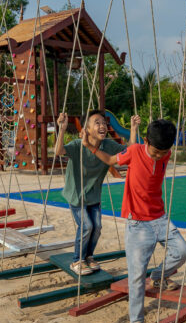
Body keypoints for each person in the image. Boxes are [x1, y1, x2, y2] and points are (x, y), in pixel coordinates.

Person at [82, 119, 186, 323]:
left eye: (164, 152)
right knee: (137, 274)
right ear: (146, 141)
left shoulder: (165, 154)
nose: (159, 156)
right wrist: (91, 147)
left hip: (160, 217)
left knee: (181, 251)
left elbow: (161, 149)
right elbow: (111, 159)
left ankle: (158, 277)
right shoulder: (135, 151)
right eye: (156, 152)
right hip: (137, 222)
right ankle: (136, 322)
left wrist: (160, 149)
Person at [54, 110, 140, 276]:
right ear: (86, 129)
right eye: (97, 123)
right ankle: (77, 260)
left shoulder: (107, 145)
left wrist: (134, 129)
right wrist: (62, 129)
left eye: (104, 123)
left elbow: (130, 150)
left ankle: (88, 256)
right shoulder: (78, 145)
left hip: (94, 195)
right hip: (77, 195)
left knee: (97, 227)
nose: (102, 126)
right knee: (87, 226)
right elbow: (59, 152)